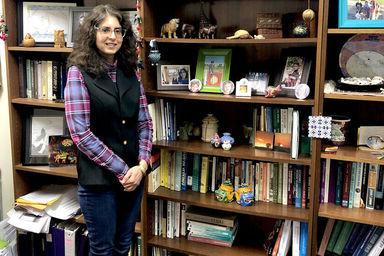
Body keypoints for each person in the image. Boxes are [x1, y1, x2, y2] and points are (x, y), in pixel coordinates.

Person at [64, 5, 153, 256]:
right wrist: (125, 171)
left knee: (123, 246)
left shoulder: (131, 72)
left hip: (133, 180)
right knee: (102, 250)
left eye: (117, 30)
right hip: (99, 183)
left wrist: (142, 166)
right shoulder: (77, 74)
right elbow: (80, 134)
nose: (112, 36)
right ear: (92, 33)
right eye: (105, 30)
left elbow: (145, 123)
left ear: (124, 36)